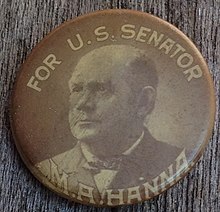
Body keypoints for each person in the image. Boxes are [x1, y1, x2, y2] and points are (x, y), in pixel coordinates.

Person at [36, 45, 181, 196]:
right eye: (77, 89)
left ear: (143, 102)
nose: (82, 104)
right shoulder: (48, 168)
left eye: (101, 89)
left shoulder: (174, 162)